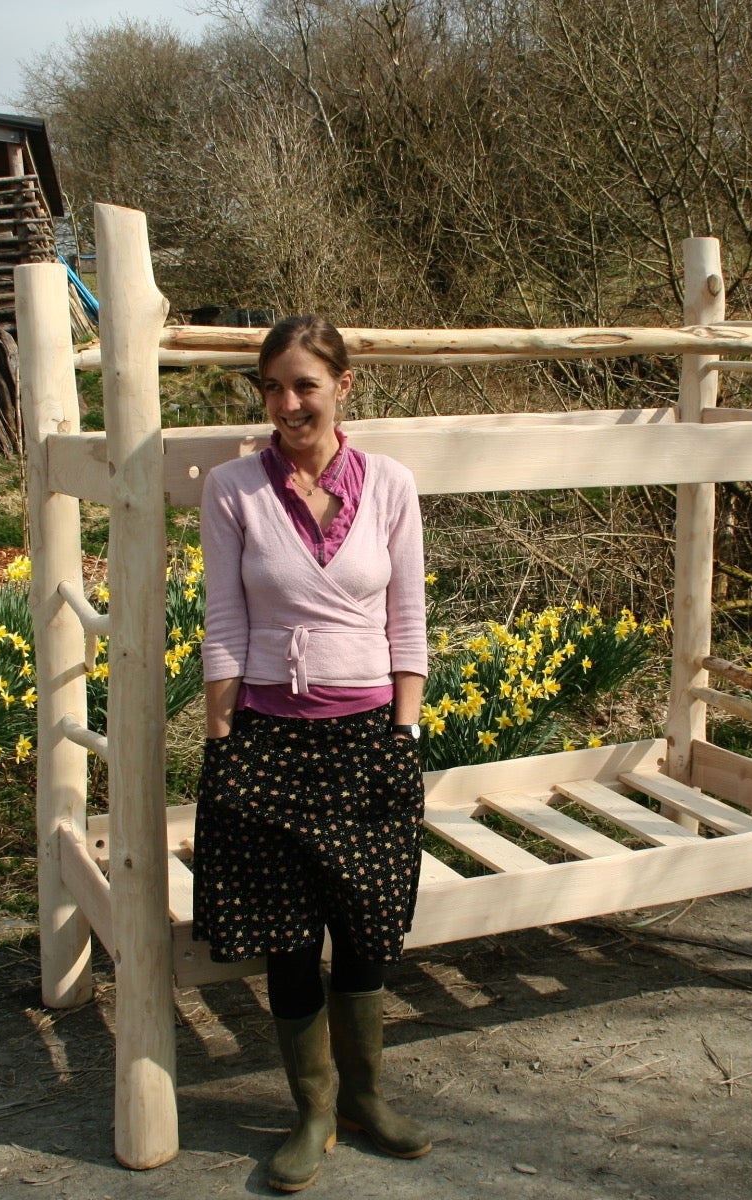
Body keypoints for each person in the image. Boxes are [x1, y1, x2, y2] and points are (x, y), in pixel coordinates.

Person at [194, 315, 431, 1192]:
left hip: (369, 737)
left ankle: (368, 1096)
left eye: (305, 385)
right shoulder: (233, 490)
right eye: (273, 387)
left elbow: (407, 618)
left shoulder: (393, 486)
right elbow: (225, 621)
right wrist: (221, 737)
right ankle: (315, 1110)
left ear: (343, 386)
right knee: (289, 935)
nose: (289, 403)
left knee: (365, 922)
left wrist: (405, 729)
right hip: (268, 740)